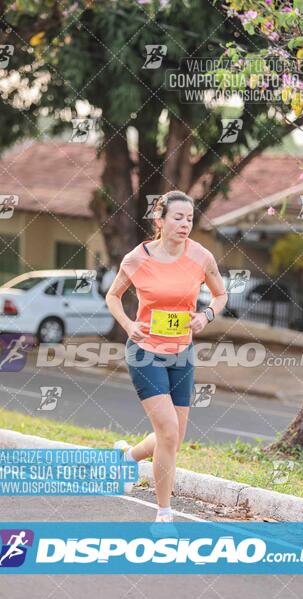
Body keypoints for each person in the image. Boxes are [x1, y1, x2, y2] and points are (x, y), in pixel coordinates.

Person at [105, 190, 228, 523]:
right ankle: (164, 513)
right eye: (177, 217)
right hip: (145, 353)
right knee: (169, 433)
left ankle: (127, 458)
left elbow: (220, 294)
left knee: (172, 436)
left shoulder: (201, 256)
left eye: (189, 218)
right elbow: (113, 296)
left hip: (181, 354)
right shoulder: (137, 258)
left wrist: (206, 316)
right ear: (160, 221)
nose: (185, 224)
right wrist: (128, 324)